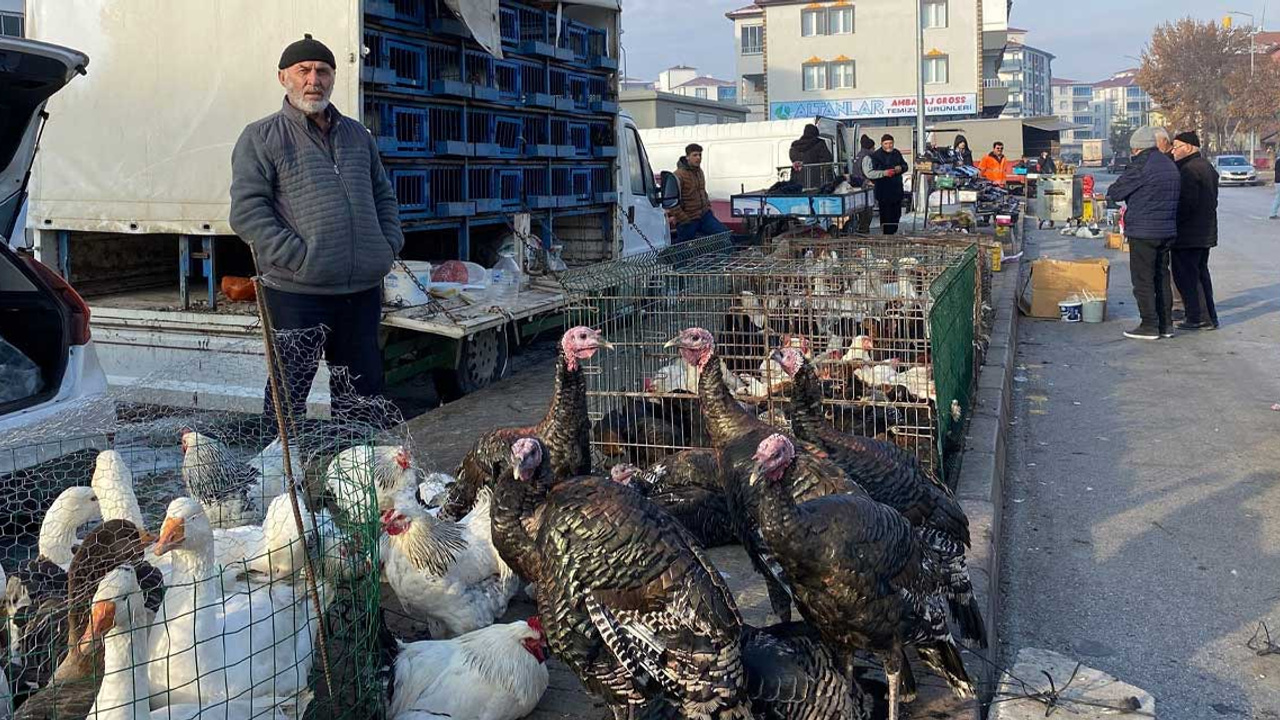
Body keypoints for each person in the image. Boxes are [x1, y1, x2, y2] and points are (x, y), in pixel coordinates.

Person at [230, 34, 404, 421]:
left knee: (362, 397)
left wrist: (388, 245)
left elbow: (383, 195)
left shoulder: (358, 135)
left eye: (323, 71)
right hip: (296, 293)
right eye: (303, 70)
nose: (314, 80)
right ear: (283, 78)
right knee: (287, 394)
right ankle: (280, 478)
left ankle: (357, 475)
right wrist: (299, 258)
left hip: (360, 292)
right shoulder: (261, 137)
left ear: (333, 77)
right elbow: (247, 212)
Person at [1106, 126, 1182, 340]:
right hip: (1167, 230)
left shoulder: (1141, 164)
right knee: (1161, 276)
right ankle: (1166, 325)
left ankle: (1149, 324)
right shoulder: (1168, 163)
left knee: (1143, 279)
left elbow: (1117, 191)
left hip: (1144, 231)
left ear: (1136, 148)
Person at [1169, 131, 1219, 330]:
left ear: (1188, 147)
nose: (1173, 151)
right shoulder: (1206, 166)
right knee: (1200, 275)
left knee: (1188, 277)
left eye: (1176, 147)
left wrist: (1173, 222)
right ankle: (1208, 317)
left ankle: (1197, 317)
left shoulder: (1189, 170)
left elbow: (1186, 204)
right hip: (1204, 232)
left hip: (1189, 234)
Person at [671, 143, 728, 243]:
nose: (698, 158)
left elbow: (702, 191)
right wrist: (683, 218)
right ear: (687, 157)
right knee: (684, 248)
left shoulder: (699, 172)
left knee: (724, 235)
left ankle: (724, 257)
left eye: (700, 155)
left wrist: (708, 208)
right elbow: (671, 200)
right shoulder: (678, 175)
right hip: (689, 218)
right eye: (695, 155)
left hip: (704, 215)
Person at [863, 134, 909, 235]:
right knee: (886, 216)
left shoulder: (896, 153)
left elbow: (905, 165)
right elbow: (873, 172)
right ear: (882, 144)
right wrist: (885, 172)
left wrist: (901, 168)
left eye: (890, 143)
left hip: (896, 190)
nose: (889, 146)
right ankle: (887, 235)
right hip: (883, 191)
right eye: (886, 143)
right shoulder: (876, 156)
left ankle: (893, 232)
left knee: (896, 214)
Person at [788, 124, 834, 189]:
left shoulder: (795, 146)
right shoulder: (819, 144)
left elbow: (793, 158)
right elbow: (827, 159)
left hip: (798, 181)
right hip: (817, 181)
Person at [849, 135, 877, 233]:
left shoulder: (858, 156)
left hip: (857, 187)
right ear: (870, 148)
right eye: (873, 147)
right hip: (865, 186)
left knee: (860, 209)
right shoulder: (867, 157)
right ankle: (864, 230)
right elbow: (868, 173)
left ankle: (861, 228)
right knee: (867, 210)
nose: (874, 149)